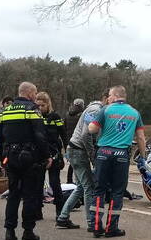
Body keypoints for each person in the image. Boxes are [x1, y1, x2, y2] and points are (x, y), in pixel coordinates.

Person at [0, 82, 51, 240]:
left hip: (10, 157)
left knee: (13, 194)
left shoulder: (5, 111)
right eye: (35, 93)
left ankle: (9, 232)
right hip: (29, 158)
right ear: (29, 93)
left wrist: (1, 156)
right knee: (30, 196)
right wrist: (47, 156)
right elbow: (40, 136)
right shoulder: (32, 110)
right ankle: (28, 232)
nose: (35, 96)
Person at [88, 86, 146, 238]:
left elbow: (92, 129)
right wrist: (143, 156)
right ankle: (111, 228)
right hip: (121, 155)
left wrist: (90, 122)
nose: (108, 98)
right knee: (117, 192)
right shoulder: (135, 113)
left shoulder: (106, 110)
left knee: (99, 189)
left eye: (109, 95)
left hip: (103, 153)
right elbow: (140, 137)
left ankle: (95, 226)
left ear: (115, 96)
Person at [55, 92, 106, 230]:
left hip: (75, 150)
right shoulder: (96, 110)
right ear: (106, 99)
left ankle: (63, 217)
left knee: (81, 187)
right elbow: (85, 134)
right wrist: (92, 155)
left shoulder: (94, 109)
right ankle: (91, 223)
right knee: (89, 187)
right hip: (78, 151)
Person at [35, 92, 67, 219]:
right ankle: (38, 211)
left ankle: (60, 211)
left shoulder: (55, 116)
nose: (40, 108)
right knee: (38, 183)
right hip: (39, 153)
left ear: (48, 104)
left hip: (54, 152)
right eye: (37, 106)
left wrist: (66, 149)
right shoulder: (34, 116)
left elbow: (63, 134)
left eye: (42, 105)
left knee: (55, 183)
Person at [65, 98, 85, 182]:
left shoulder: (67, 115)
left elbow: (64, 128)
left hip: (68, 141)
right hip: (78, 141)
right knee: (79, 163)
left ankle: (69, 180)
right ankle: (78, 182)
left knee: (72, 163)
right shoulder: (82, 115)